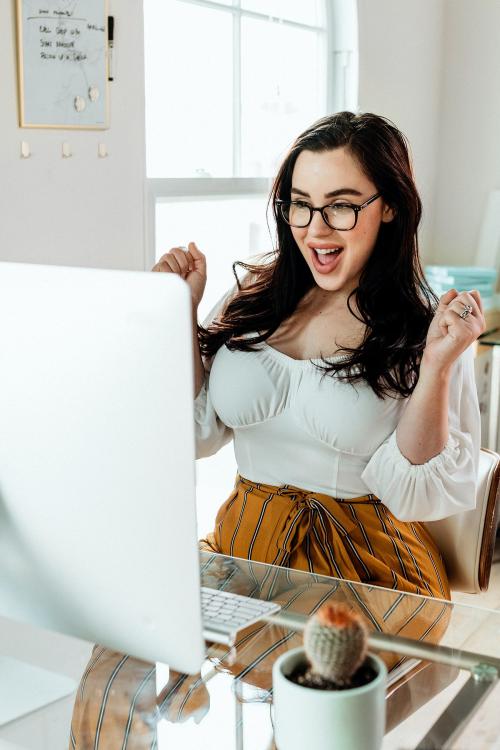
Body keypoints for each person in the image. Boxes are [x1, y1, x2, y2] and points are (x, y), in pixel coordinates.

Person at [153, 111, 484, 601]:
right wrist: (180, 309)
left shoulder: (424, 328)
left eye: (342, 206)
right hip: (241, 549)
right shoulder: (250, 298)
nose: (315, 229)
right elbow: (195, 434)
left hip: (369, 568)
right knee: (124, 663)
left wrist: (437, 365)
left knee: (286, 669)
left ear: (389, 206)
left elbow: (416, 492)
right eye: (301, 205)